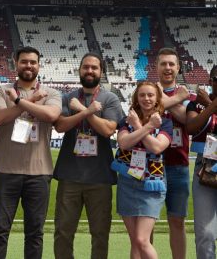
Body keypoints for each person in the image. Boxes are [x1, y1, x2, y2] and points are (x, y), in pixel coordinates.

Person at [0, 46, 61, 259]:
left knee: (35, 233)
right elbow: (0, 118)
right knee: (0, 230)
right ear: (16, 64)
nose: (29, 65)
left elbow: (51, 115)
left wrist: (20, 101)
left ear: (39, 65)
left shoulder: (51, 93)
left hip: (39, 173)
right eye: (24, 61)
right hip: (6, 171)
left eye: (33, 62)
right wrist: (32, 101)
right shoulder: (1, 91)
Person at [53, 52, 124, 259]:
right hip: (69, 176)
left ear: (101, 72)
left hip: (99, 177)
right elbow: (60, 126)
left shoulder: (110, 98)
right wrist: (86, 112)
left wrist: (83, 110)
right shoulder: (68, 97)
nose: (90, 71)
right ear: (79, 70)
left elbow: (108, 130)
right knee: (63, 232)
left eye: (94, 67)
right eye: (86, 67)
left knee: (100, 234)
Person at [114, 82, 172, 259]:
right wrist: (147, 127)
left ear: (157, 99)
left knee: (142, 240)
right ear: (136, 99)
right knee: (135, 241)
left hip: (151, 184)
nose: (146, 98)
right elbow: (124, 143)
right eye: (142, 95)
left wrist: (139, 127)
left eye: (150, 95)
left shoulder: (165, 122)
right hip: (128, 182)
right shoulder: (126, 120)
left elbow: (157, 147)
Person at [156, 47, 191, 259]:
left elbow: (187, 119)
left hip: (178, 165)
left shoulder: (190, 95)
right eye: (163, 64)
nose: (167, 68)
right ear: (156, 67)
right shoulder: (148, 91)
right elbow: (146, 113)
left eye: (171, 64)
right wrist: (176, 99)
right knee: (147, 221)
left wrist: (162, 100)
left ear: (178, 68)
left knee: (177, 221)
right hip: (151, 165)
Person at [186, 66, 217, 259]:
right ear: (210, 81)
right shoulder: (196, 104)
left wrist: (210, 104)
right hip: (205, 167)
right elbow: (191, 127)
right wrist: (210, 107)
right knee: (205, 232)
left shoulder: (204, 102)